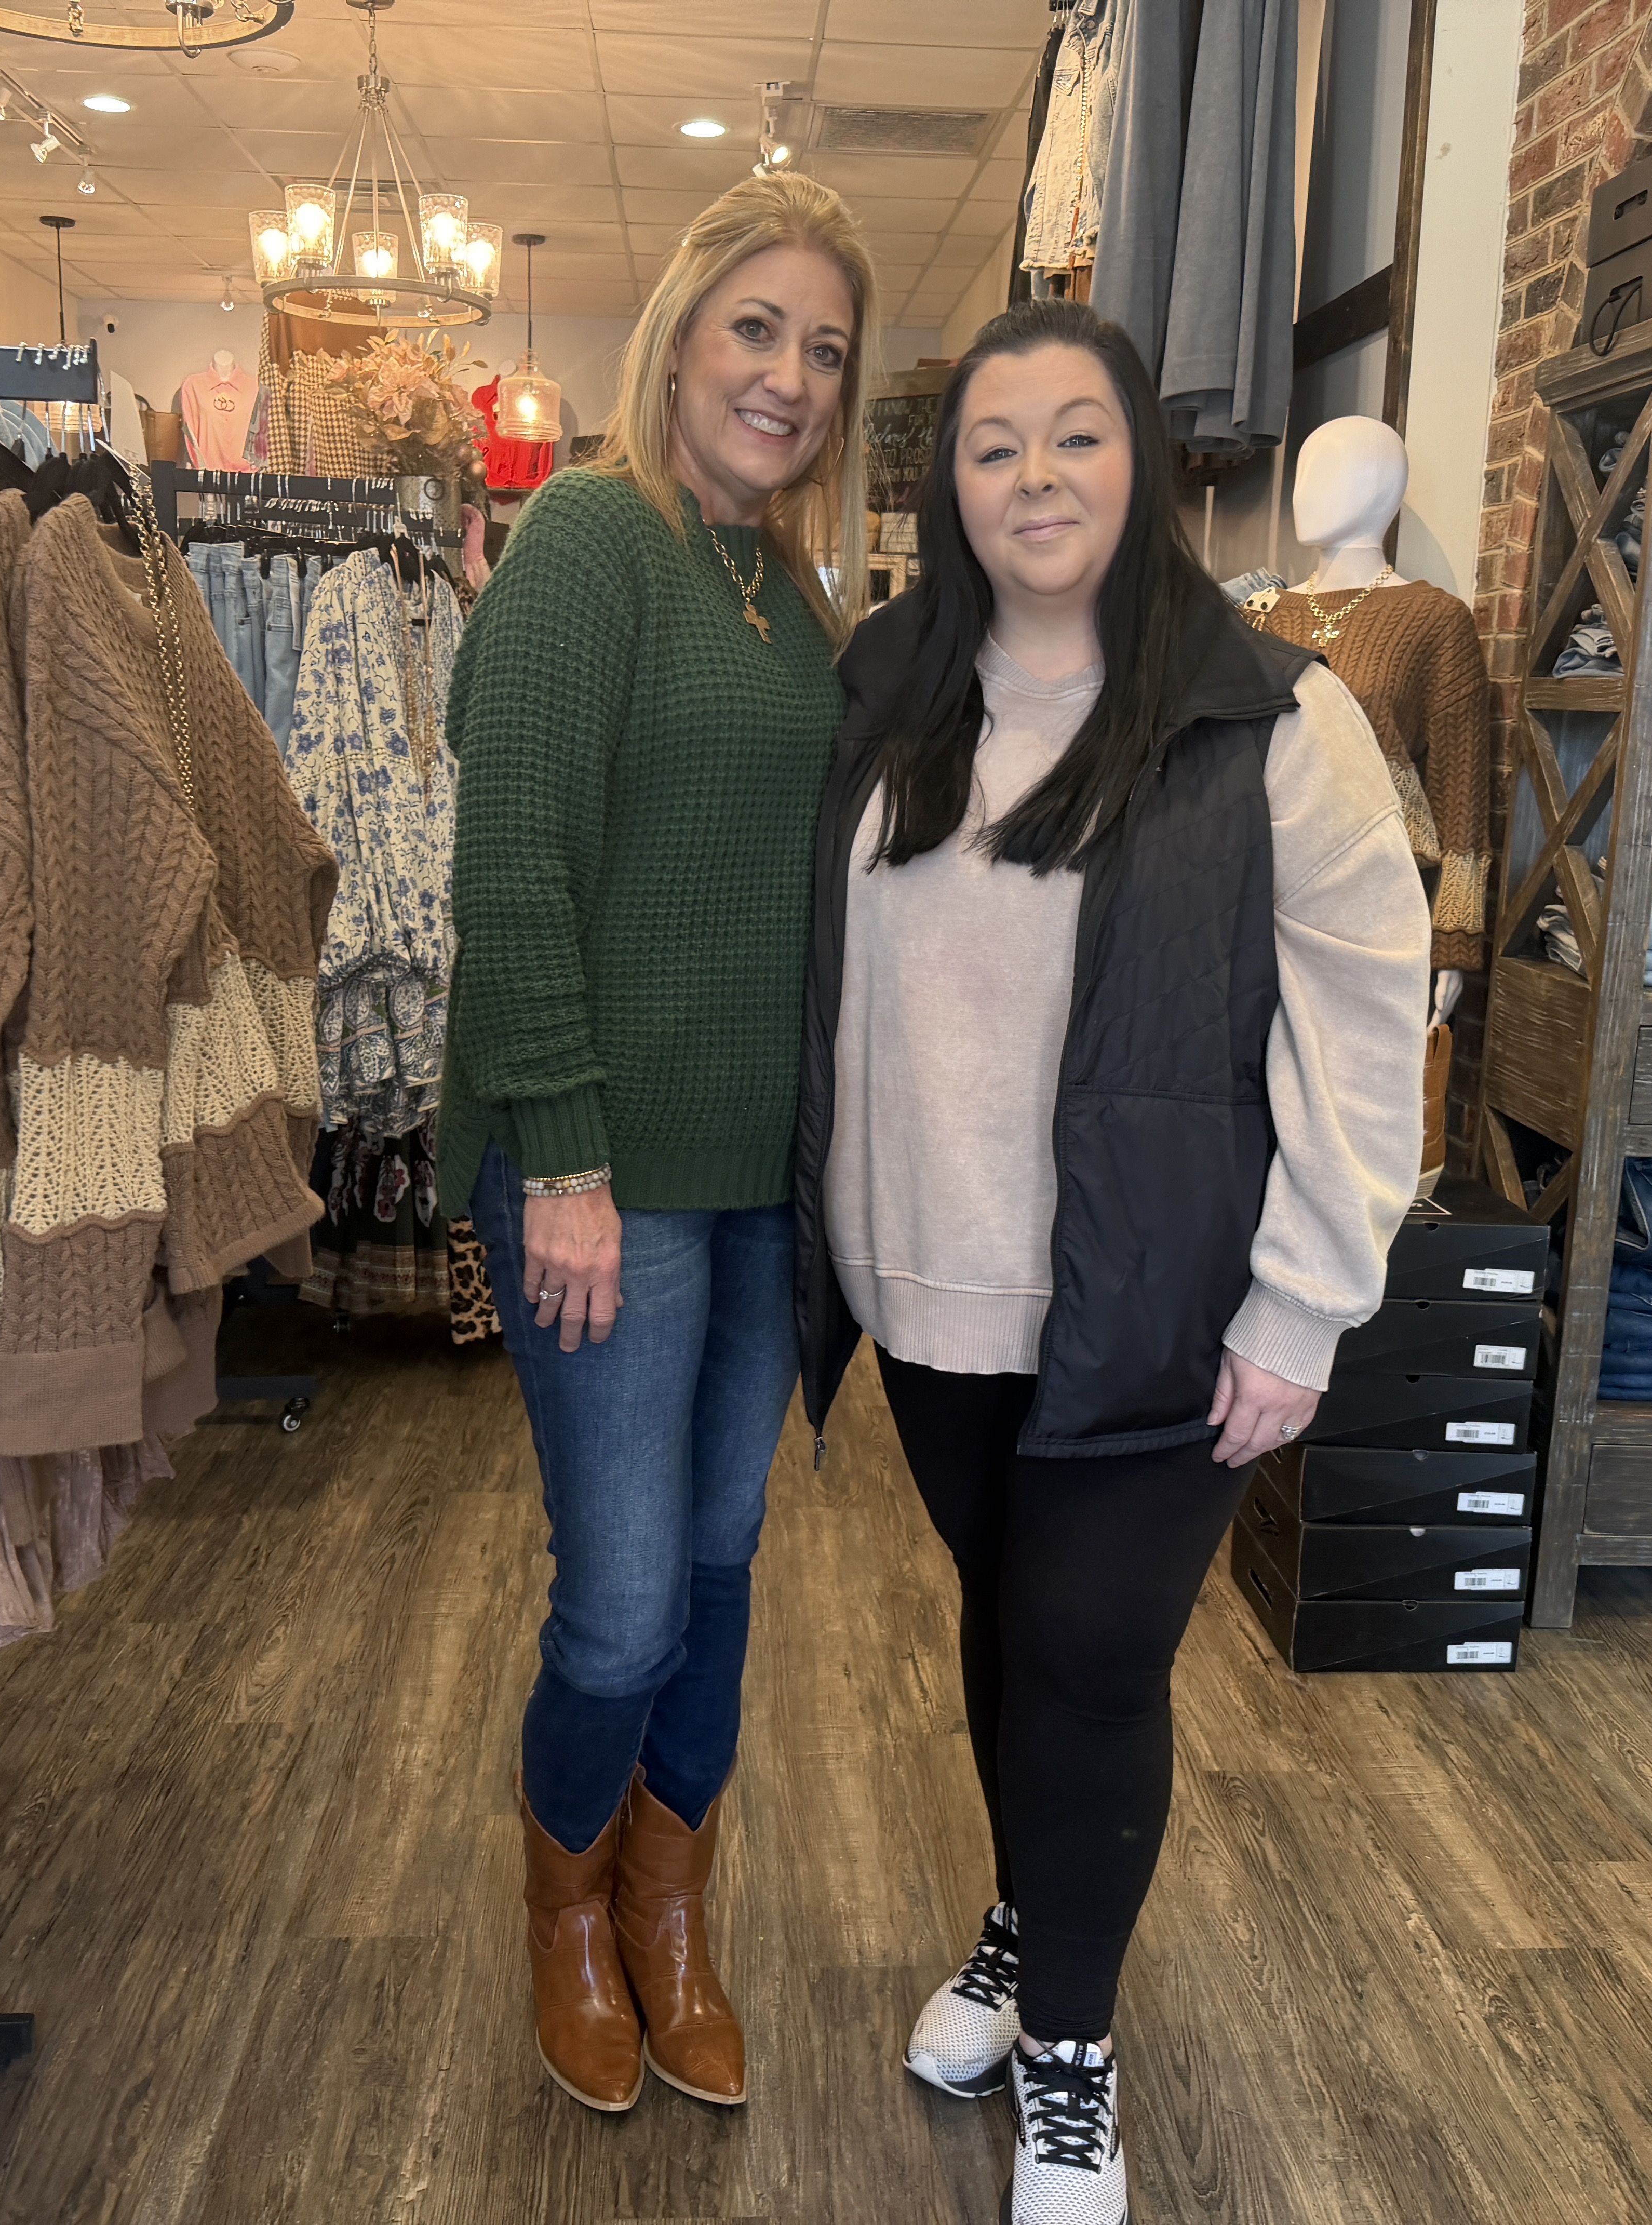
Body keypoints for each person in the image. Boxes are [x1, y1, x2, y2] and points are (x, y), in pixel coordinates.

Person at [793, 299, 1431, 2222]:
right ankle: (1030, 1905)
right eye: (993, 446)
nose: (1035, 477)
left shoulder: (1271, 713)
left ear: (1145, 459)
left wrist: (1308, 1297)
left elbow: (1366, 1009)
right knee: (1001, 1619)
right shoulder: (890, 683)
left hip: (1157, 1296)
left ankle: (1069, 2046)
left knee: (1087, 1653)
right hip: (929, 1286)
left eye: (1076, 434)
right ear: (948, 485)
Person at [442, 172, 874, 2115]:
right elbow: (512, 872)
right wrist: (560, 1158)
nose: (788, 377)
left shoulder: (793, 593)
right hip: (600, 1160)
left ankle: (671, 1906)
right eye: (759, 328)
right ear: (683, 334)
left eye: (825, 350)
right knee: (619, 1589)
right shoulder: (585, 543)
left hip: (751, 1170)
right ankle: (564, 1906)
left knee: (720, 1566)